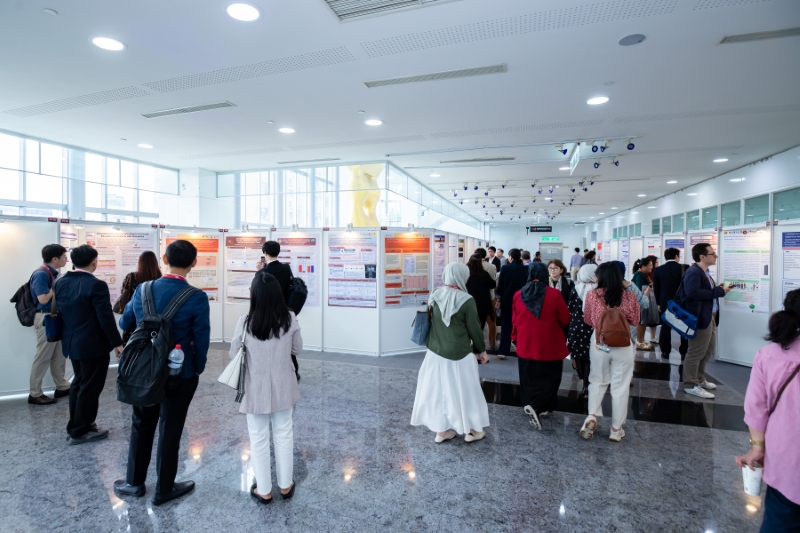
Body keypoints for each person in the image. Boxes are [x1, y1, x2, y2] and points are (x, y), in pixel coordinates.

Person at [115, 240, 211, 506]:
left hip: (144, 369)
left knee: (141, 423)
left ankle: (134, 482)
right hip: (180, 372)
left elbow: (125, 321)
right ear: (194, 262)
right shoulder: (196, 297)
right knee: (171, 428)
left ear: (165, 259)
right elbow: (201, 338)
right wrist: (197, 367)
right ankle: (164, 488)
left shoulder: (143, 289)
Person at [230, 271, 303, 504]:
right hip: (284, 385)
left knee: (258, 437)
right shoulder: (289, 318)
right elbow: (297, 349)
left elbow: (234, 353)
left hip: (255, 387)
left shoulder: (246, 321)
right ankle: (285, 485)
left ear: (254, 295)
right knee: (284, 433)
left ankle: (263, 489)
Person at [735, 290, 800, 531]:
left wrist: (757, 447)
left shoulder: (769, 355)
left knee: (780, 521)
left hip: (787, 459)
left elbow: (756, 407)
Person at [411, 263, 490, 443]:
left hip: (434, 353)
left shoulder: (435, 294)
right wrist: (482, 350)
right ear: (462, 277)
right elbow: (475, 329)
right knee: (465, 391)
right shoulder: (467, 300)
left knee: (438, 391)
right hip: (459, 354)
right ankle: (471, 431)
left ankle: (441, 431)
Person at [55, 245, 123, 444]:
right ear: (94, 261)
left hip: (72, 343)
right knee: (90, 387)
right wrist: (117, 343)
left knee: (79, 383)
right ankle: (81, 430)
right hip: (93, 344)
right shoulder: (96, 285)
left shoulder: (61, 282)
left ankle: (76, 424)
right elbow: (105, 317)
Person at [579, 262, 640, 442]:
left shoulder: (592, 295)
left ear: (601, 277)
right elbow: (635, 320)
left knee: (597, 380)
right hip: (623, 344)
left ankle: (591, 415)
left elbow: (588, 320)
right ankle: (615, 429)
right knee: (620, 387)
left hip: (600, 343)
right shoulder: (629, 295)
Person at [512, 262, 571, 430]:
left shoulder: (518, 294)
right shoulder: (554, 294)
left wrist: (514, 338)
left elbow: (515, 320)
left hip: (526, 342)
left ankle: (529, 403)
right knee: (551, 377)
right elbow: (565, 319)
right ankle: (539, 406)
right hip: (549, 344)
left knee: (528, 377)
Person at [680, 243, 731, 399]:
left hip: (709, 317)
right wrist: (718, 291)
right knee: (696, 352)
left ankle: (699, 378)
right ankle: (690, 384)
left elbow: (705, 292)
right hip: (699, 318)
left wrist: (718, 289)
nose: (715, 256)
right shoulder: (694, 272)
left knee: (708, 350)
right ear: (702, 257)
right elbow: (692, 293)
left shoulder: (704, 273)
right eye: (712, 254)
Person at [27, 244, 71, 405]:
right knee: (43, 356)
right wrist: (57, 284)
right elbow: (43, 299)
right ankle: (35, 393)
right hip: (46, 318)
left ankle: (62, 386)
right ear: (55, 259)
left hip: (55, 316)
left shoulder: (53, 274)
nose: (66, 259)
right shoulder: (41, 274)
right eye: (64, 256)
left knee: (59, 355)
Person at [257, 240, 299, 380]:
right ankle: (294, 370)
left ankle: (270, 368)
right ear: (278, 252)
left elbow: (259, 290)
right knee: (287, 340)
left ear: (265, 253)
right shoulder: (286, 268)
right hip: (284, 310)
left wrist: (259, 271)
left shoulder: (264, 271)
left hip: (268, 312)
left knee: (269, 340)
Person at [568, 264, 598, 399]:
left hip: (577, 327)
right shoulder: (600, 290)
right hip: (593, 327)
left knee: (578, 355)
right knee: (591, 358)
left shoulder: (576, 289)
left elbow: (570, 307)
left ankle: (582, 377)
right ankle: (587, 385)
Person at [652, 248, 688, 360]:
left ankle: (665, 351)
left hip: (665, 302)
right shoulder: (684, 268)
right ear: (677, 256)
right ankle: (684, 352)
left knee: (665, 327)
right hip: (682, 303)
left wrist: (658, 303)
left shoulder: (658, 270)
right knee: (683, 327)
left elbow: (656, 289)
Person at [119, 251, 162, 345]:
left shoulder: (131, 277)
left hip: (133, 322)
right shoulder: (160, 278)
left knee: (133, 351)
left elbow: (124, 298)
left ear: (140, 263)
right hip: (155, 324)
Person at [495, 249, 529, 360]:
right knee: (521, 326)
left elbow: (500, 287)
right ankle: (522, 350)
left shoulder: (505, 268)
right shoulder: (525, 269)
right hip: (522, 302)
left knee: (506, 326)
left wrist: (498, 299)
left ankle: (503, 351)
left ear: (510, 257)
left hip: (507, 301)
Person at [466, 254, 496, 355]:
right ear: (480, 263)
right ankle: (477, 352)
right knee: (479, 329)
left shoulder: (466, 274)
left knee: (468, 328)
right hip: (482, 306)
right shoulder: (484, 274)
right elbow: (493, 284)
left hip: (469, 305)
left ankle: (467, 352)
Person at [631, 257, 658, 351]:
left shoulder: (645, 275)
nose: (652, 267)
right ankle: (639, 342)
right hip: (639, 302)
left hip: (643, 301)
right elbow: (640, 289)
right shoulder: (639, 275)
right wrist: (650, 286)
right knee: (640, 322)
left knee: (643, 321)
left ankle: (642, 340)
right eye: (650, 265)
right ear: (643, 266)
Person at [474, 248, 498, 351]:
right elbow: (493, 281)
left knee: (476, 320)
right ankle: (492, 343)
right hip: (490, 296)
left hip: (475, 298)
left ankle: (476, 342)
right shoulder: (492, 266)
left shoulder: (472, 267)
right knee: (491, 321)